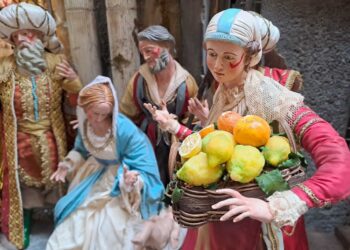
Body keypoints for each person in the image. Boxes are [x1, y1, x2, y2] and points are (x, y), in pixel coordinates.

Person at [144, 8, 350, 250]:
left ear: (251, 57)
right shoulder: (224, 91)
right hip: (218, 220)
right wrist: (175, 127)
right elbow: (217, 150)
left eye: (229, 57)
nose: (218, 66)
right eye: (212, 54)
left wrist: (279, 205)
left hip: (258, 230)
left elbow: (340, 162)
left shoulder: (272, 98)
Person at [45, 75, 169, 250]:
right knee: (74, 218)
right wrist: (67, 165)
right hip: (91, 175)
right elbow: (80, 149)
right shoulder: (85, 124)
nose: (98, 118)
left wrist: (131, 180)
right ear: (85, 107)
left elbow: (143, 164)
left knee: (110, 223)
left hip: (119, 181)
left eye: (105, 114)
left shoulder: (124, 131)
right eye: (95, 113)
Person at [0, 2, 82, 249]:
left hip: (53, 135)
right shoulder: (5, 67)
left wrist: (75, 82)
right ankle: (23, 220)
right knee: (22, 184)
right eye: (17, 36)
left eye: (26, 34)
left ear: (38, 36)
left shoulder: (56, 62)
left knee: (58, 179)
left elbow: (78, 97)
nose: (22, 40)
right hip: (19, 138)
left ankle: (60, 216)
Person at [119, 25, 198, 187]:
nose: (146, 57)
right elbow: (126, 115)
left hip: (175, 145)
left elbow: (194, 122)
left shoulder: (186, 83)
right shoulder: (138, 81)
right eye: (143, 53)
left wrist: (176, 124)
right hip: (146, 142)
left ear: (167, 46)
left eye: (149, 50)